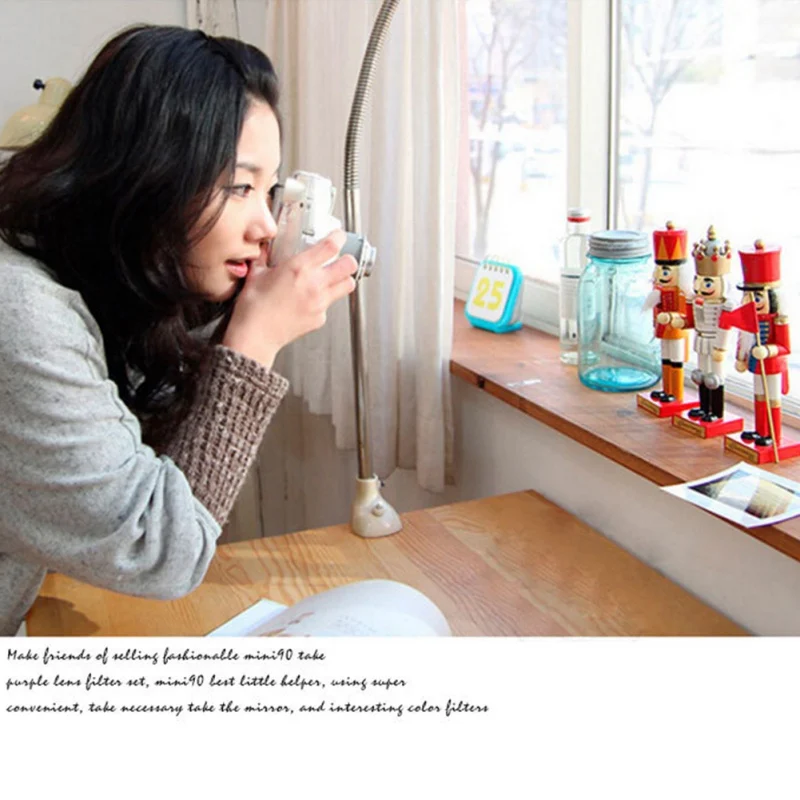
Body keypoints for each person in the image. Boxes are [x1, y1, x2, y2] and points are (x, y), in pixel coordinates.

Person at [0, 25, 358, 636]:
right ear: (147, 174)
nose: (266, 226)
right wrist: (253, 345)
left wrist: (231, 315)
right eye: (239, 187)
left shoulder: (89, 276)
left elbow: (139, 462)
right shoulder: (21, 312)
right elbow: (158, 551)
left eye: (268, 190)